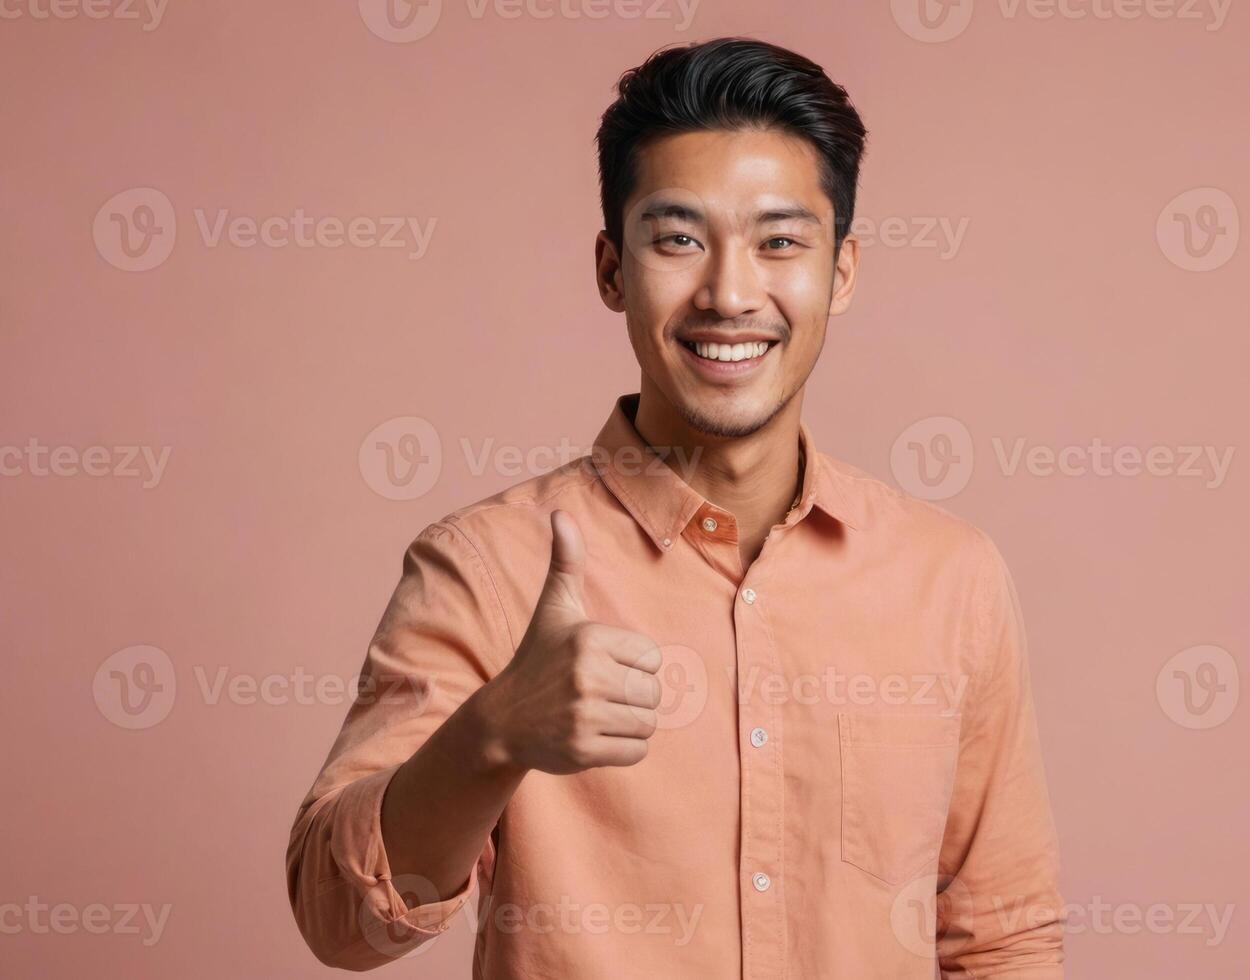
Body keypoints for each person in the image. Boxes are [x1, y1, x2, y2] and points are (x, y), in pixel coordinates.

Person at [287, 35, 1065, 979]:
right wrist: (491, 736)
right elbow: (339, 921)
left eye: (780, 241)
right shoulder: (487, 566)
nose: (730, 294)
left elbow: (1002, 939)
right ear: (613, 270)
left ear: (842, 271)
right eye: (678, 239)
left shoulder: (950, 576)